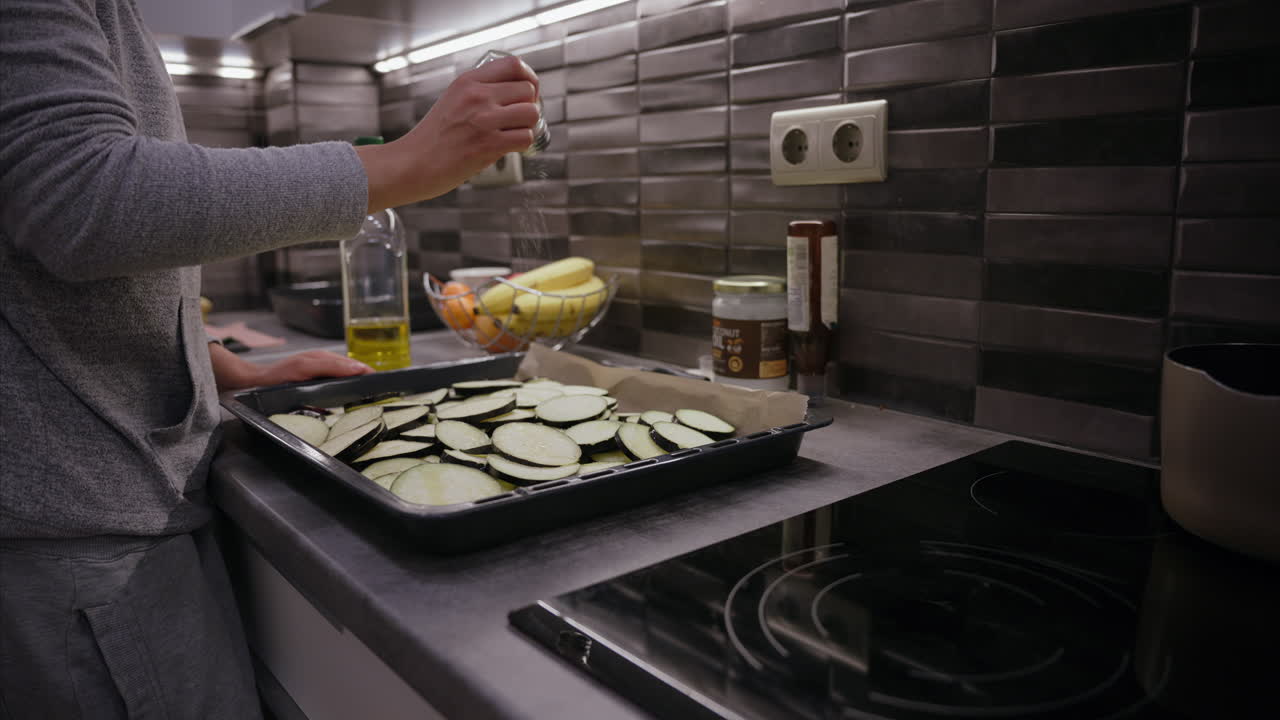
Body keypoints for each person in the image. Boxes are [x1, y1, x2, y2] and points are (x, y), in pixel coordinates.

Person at [0, 0, 542, 716]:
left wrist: (214, 364)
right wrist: (406, 161)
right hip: (77, 525)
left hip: (103, 499)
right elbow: (81, 196)